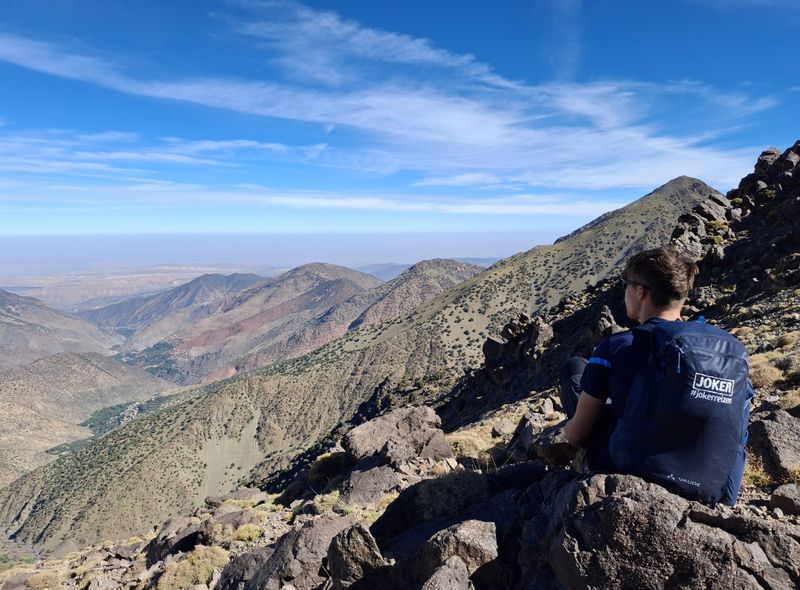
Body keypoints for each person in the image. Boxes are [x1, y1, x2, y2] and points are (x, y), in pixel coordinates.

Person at [560, 246, 751, 505]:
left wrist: (561, 437)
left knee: (575, 369)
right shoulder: (719, 349)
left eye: (627, 285)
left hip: (632, 472)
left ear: (640, 291)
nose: (624, 292)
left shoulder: (617, 346)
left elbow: (578, 435)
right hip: (709, 488)